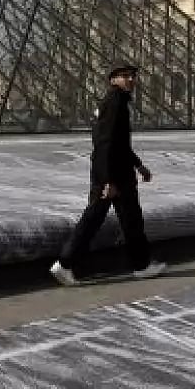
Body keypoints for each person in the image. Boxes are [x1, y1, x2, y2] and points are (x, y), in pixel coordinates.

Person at [50, 64, 166, 286]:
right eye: (125, 76)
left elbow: (119, 143)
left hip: (115, 171)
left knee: (125, 219)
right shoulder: (114, 103)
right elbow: (105, 143)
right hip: (114, 175)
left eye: (133, 76)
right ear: (113, 80)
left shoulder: (116, 101)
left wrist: (138, 165)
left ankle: (140, 265)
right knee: (110, 219)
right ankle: (66, 263)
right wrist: (108, 181)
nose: (131, 79)